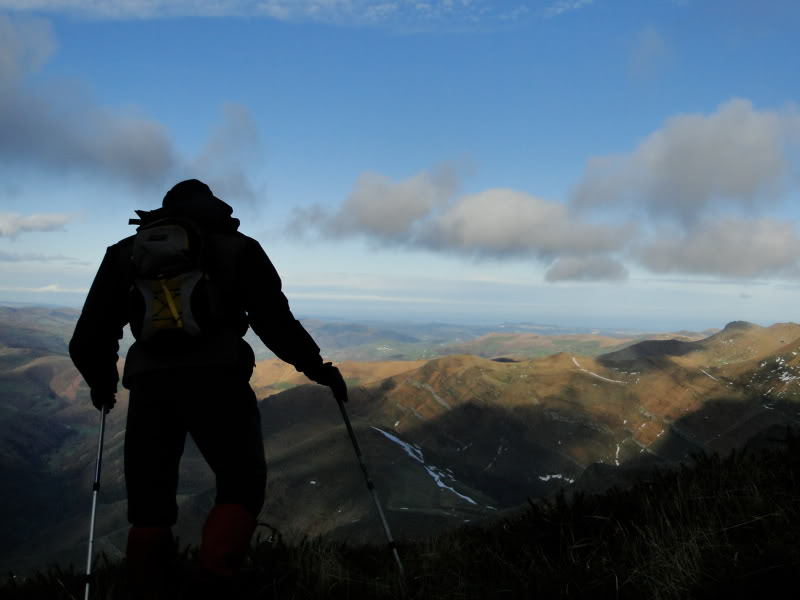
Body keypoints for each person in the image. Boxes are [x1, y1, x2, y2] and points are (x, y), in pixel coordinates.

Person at [69, 179, 346, 598]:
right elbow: (274, 321)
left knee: (150, 500)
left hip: (150, 386)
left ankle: (147, 588)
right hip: (220, 381)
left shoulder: (125, 252)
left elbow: (88, 337)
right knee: (240, 483)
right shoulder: (239, 249)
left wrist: (102, 384)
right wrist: (315, 367)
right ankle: (212, 584)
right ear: (215, 206)